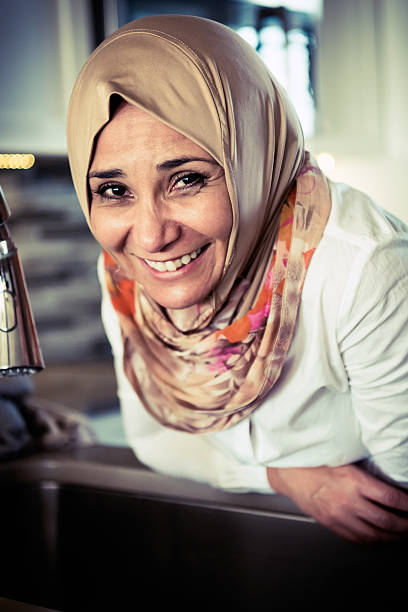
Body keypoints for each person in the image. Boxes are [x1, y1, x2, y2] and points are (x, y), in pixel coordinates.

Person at [66, 15, 408, 543]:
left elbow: (399, 494)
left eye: (186, 179)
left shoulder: (365, 268)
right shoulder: (126, 274)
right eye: (114, 191)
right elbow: (151, 437)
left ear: (251, 157)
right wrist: (285, 477)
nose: (152, 236)